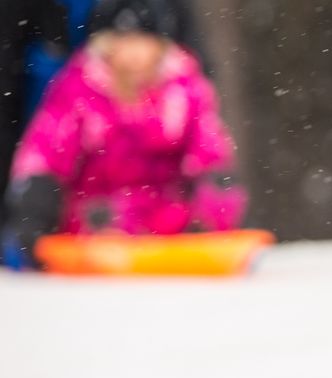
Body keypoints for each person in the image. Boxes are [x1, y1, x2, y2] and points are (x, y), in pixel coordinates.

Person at [2, 0, 241, 269]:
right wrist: (34, 215)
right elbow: (45, 156)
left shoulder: (185, 89)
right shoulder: (78, 90)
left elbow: (211, 155)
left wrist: (211, 217)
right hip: (96, 222)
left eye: (143, 41)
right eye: (124, 41)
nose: (134, 52)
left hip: (170, 222)